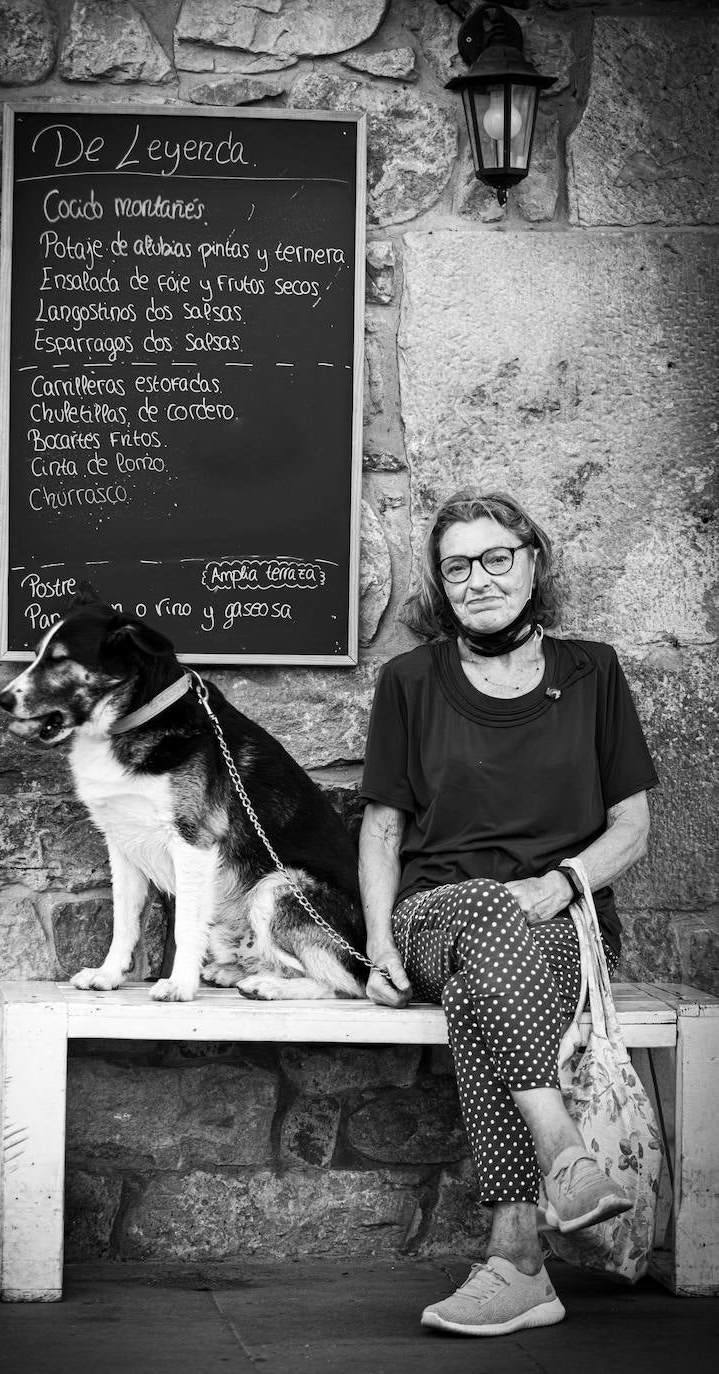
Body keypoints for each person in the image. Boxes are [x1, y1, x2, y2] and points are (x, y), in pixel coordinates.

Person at [359, 489, 659, 1337]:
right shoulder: (410, 682)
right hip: (433, 917)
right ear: (440, 583)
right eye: (458, 566)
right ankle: (565, 1152)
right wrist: (380, 944)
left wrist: (562, 884)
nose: (478, 579)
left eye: (498, 558)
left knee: (480, 996)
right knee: (487, 918)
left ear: (534, 563)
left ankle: (518, 1261)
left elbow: (631, 828)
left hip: (561, 925)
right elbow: (382, 826)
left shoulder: (592, 672)